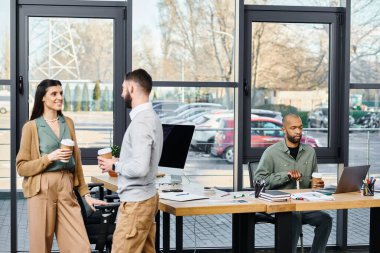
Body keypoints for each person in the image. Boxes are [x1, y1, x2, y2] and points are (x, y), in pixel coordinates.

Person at [16, 79, 106, 253]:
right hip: (41, 189)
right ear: (43, 97)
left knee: (81, 247)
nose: (59, 97)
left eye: (61, 93)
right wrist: (49, 158)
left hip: (66, 186)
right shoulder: (31, 127)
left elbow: (77, 160)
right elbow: (21, 167)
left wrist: (85, 194)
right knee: (40, 247)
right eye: (54, 94)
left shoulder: (68, 123)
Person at [98, 69, 163, 253]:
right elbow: (143, 159)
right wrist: (123, 160)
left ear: (132, 88)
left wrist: (114, 165)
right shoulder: (152, 118)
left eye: (123, 88)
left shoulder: (141, 122)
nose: (121, 93)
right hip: (146, 198)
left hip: (136, 203)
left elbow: (140, 168)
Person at [254, 113, 332, 253]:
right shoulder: (271, 152)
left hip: (304, 205)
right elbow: (259, 181)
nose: (298, 131)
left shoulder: (310, 152)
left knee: (326, 219)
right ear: (284, 129)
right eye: (293, 128)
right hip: (279, 206)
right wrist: (286, 175)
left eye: (300, 127)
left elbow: (311, 182)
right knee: (293, 217)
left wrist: (315, 186)